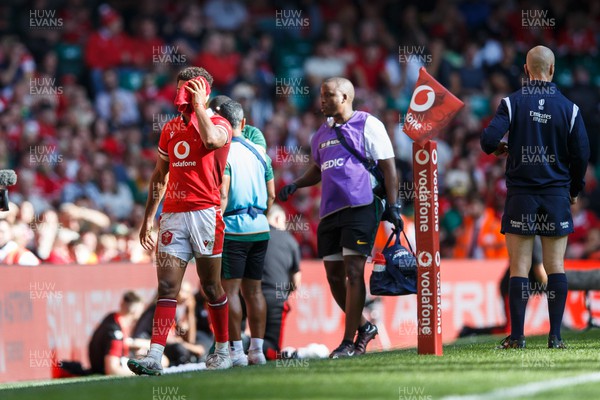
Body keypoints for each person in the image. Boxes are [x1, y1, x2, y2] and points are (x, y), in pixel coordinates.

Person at [279, 77, 402, 358]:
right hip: (330, 211)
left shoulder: (368, 124)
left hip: (361, 206)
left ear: (346, 97)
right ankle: (363, 327)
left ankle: (348, 342)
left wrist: (393, 206)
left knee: (354, 272)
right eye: (321, 95)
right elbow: (318, 168)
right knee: (334, 276)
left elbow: (389, 168)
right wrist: (296, 183)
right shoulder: (320, 135)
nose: (322, 100)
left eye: (329, 95)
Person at [481, 45, 590, 349]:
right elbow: (582, 153)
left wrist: (498, 148)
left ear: (526, 70)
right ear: (552, 70)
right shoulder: (570, 108)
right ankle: (555, 337)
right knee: (556, 266)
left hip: (522, 195)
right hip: (556, 194)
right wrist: (574, 188)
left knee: (519, 267)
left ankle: (518, 337)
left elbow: (487, 139)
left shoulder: (512, 103)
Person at [127, 66, 234, 375]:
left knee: (211, 287)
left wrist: (200, 107)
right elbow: (160, 176)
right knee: (166, 286)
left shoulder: (219, 123)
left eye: (191, 89)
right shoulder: (171, 128)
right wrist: (148, 218)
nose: (183, 95)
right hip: (173, 214)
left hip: (206, 213)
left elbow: (213, 141)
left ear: (205, 92)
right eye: (180, 89)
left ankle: (223, 349)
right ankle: (154, 355)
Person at [215, 100, 275, 366]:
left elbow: (223, 193)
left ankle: (237, 351)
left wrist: (217, 221)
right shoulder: (261, 152)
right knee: (255, 291)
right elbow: (271, 194)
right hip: (260, 227)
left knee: (230, 292)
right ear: (243, 123)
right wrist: (260, 214)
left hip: (233, 228)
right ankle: (258, 351)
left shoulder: (224, 154)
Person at [261, 204, 301, 360]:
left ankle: (241, 344)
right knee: (271, 349)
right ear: (277, 218)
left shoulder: (253, 237)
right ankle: (253, 346)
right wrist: (285, 292)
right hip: (275, 298)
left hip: (247, 296)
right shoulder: (290, 241)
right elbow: (296, 281)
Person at [89, 291, 145, 375]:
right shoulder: (115, 333)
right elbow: (112, 370)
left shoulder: (112, 319)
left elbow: (126, 342)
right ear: (135, 311)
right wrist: (142, 372)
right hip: (104, 371)